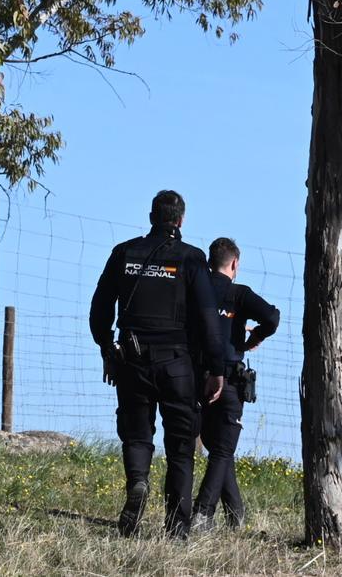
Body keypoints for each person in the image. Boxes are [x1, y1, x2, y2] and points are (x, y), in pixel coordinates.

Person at [89, 190, 227, 539]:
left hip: (132, 361)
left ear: (152, 217)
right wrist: (217, 369)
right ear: (180, 220)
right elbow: (210, 319)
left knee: (137, 436)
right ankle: (177, 529)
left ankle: (138, 483)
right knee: (181, 447)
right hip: (178, 364)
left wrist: (108, 346)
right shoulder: (192, 259)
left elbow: (99, 310)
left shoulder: (124, 253)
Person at [190, 238, 280, 532]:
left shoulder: (194, 290)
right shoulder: (238, 294)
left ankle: (236, 514)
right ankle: (203, 514)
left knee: (218, 446)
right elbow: (271, 316)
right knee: (223, 450)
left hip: (193, 379)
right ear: (235, 264)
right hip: (228, 380)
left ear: (209, 261)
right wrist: (255, 338)